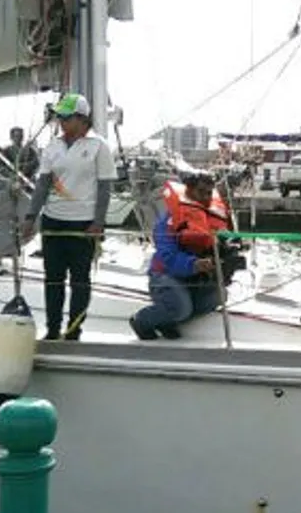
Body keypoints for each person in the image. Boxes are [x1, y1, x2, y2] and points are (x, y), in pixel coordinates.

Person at [21, 93, 118, 340]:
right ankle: (52, 329)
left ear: (81, 118)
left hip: (83, 223)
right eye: (59, 116)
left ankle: (74, 330)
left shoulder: (99, 146)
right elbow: (43, 184)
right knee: (53, 279)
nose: (61, 121)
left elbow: (105, 187)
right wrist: (31, 216)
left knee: (80, 280)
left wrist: (99, 222)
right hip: (53, 221)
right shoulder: (52, 146)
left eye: (66, 117)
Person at [130, 172, 234, 340]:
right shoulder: (168, 223)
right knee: (181, 309)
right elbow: (168, 257)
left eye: (209, 193)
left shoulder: (211, 220)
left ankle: (170, 319)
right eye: (201, 192)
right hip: (165, 275)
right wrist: (195, 264)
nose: (206, 197)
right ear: (189, 191)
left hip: (196, 278)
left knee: (219, 295)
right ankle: (142, 320)